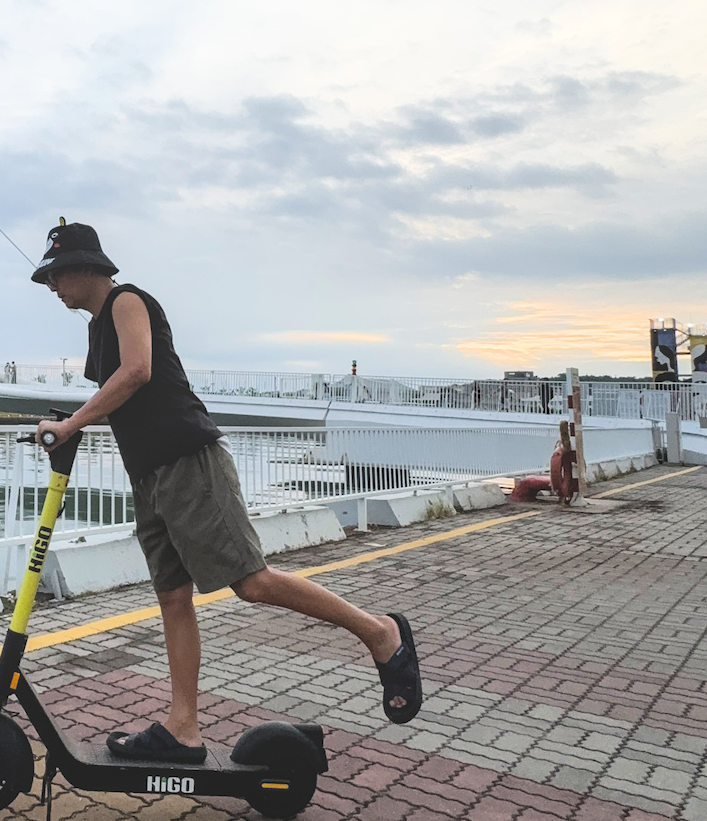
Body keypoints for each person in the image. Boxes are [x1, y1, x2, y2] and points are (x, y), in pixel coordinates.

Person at [32, 219, 421, 763]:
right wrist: (72, 426)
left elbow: (139, 371)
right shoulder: (98, 324)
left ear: (82, 268)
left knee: (252, 582)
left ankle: (379, 633)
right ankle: (183, 729)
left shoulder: (125, 301)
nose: (52, 288)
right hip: (150, 474)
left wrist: (72, 424)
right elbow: (123, 395)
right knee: (172, 597)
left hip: (188, 460)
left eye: (55, 276)